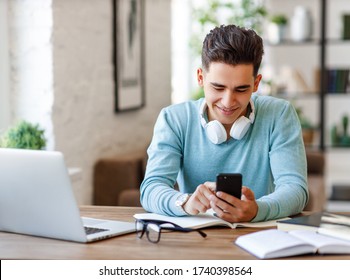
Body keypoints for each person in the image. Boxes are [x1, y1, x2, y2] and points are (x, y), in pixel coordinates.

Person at [140, 24, 308, 223]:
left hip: (259, 237)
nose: (228, 102)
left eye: (241, 89)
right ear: (201, 78)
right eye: (218, 87)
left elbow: (295, 189)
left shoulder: (279, 115)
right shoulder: (174, 119)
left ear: (256, 84)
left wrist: (257, 210)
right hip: (195, 238)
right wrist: (184, 202)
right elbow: (151, 188)